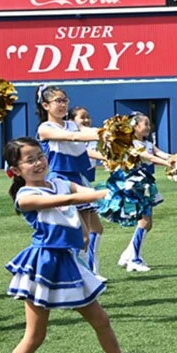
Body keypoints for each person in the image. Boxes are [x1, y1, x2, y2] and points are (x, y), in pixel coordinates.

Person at [0, 138, 153, 353]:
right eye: (29, 160)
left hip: (70, 263)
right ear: (14, 170)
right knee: (35, 335)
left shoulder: (60, 180)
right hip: (45, 264)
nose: (38, 163)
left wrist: (121, 186)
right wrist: (104, 194)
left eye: (40, 156)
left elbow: (84, 191)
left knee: (101, 321)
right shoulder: (24, 196)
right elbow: (72, 199)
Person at [35, 85, 104, 273]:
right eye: (58, 101)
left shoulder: (73, 124)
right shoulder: (45, 128)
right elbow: (73, 137)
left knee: (86, 236)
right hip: (59, 180)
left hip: (78, 179)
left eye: (65, 100)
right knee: (76, 236)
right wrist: (103, 134)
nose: (63, 104)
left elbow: (87, 133)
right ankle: (66, 274)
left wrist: (111, 133)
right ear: (45, 105)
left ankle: (82, 273)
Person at [115, 113, 171, 272]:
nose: (148, 126)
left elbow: (160, 153)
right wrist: (168, 164)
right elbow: (149, 157)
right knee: (144, 221)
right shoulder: (131, 143)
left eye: (148, 123)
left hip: (145, 181)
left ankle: (127, 255)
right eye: (145, 124)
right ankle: (134, 259)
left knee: (148, 223)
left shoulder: (147, 142)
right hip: (135, 183)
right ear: (135, 126)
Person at [69, 105, 106, 272]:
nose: (86, 120)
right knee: (81, 235)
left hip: (85, 182)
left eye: (88, 116)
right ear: (71, 121)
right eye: (82, 117)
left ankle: (91, 270)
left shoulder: (89, 135)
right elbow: (86, 153)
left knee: (96, 229)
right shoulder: (71, 136)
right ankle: (79, 271)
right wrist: (108, 157)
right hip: (74, 182)